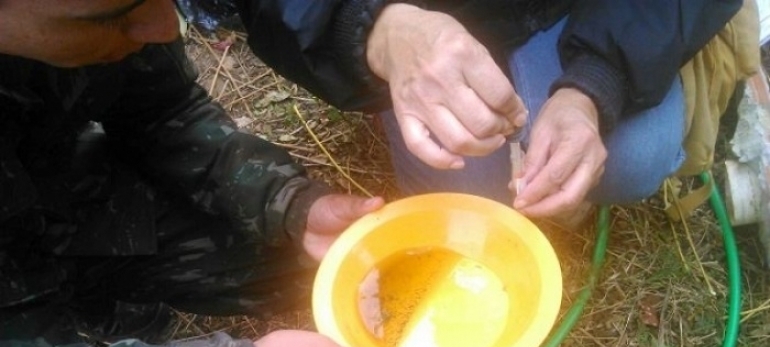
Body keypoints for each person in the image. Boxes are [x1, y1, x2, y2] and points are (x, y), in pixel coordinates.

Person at [0, 1, 397, 347]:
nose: (163, 27)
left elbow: (166, 113)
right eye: (109, 18)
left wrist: (288, 205)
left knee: (326, 271)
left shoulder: (122, 12)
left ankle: (99, 300)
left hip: (52, 213)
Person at [234, 0, 746, 224]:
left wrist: (596, 85)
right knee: (464, 200)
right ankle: (399, 85)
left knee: (633, 159)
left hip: (579, 9)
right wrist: (374, 28)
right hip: (414, 11)